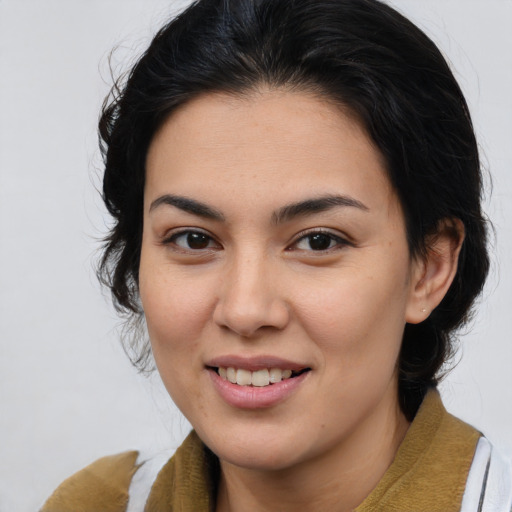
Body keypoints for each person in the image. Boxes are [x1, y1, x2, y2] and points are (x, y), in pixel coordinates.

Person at [41, 0, 512, 510]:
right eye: (194, 239)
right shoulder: (98, 502)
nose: (245, 310)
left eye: (318, 241)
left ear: (429, 268)